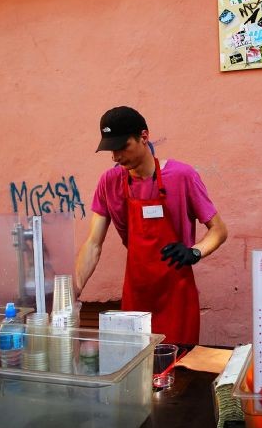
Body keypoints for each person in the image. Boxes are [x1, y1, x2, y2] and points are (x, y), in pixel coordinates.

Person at [75, 106, 227, 344]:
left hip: (176, 296)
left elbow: (219, 230)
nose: (115, 157)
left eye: (122, 147)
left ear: (143, 136)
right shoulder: (109, 182)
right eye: (111, 150)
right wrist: (72, 291)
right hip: (136, 298)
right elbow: (93, 244)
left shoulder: (182, 176)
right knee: (134, 362)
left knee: (178, 364)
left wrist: (195, 252)